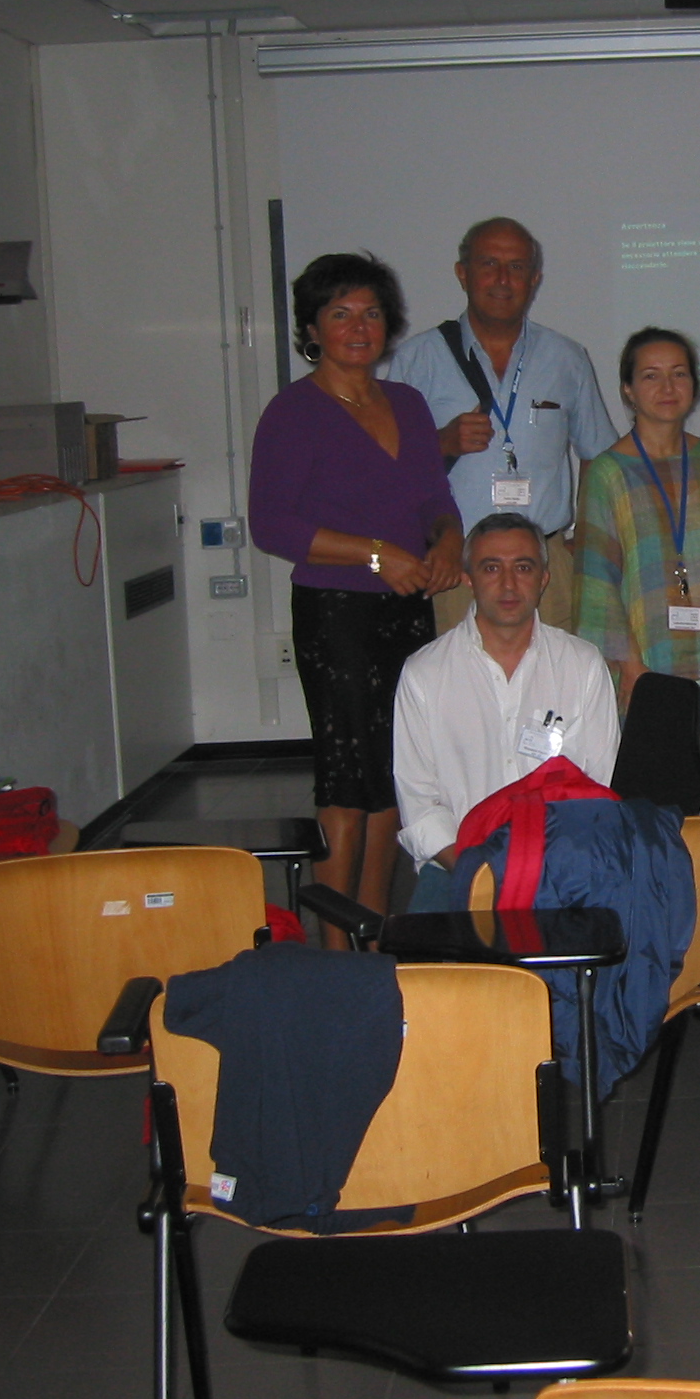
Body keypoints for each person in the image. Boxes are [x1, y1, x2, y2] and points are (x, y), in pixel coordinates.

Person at [249, 252, 462, 942]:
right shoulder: (293, 411)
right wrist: (375, 554)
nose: (359, 326)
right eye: (340, 314)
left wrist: (448, 541)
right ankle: (332, 943)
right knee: (346, 780)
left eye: (370, 312)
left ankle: (375, 929)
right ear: (312, 330)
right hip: (336, 612)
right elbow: (271, 525)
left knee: (395, 774)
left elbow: (433, 497)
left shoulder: (408, 403)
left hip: (407, 607)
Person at [383, 217, 616, 633]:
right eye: (489, 264)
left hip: (545, 564)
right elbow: (385, 468)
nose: (503, 279)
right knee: (461, 675)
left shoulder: (566, 357)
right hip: (457, 566)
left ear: (535, 279)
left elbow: (599, 454)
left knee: (557, 674)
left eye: (517, 266)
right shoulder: (418, 359)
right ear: (462, 273)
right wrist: (442, 443)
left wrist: (583, 536)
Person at [391, 512, 621, 897]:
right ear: (468, 578)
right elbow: (419, 805)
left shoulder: (582, 665)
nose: (509, 584)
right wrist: (483, 873)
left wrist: (540, 872)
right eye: (492, 568)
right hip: (458, 868)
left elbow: (597, 785)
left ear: (544, 579)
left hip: (559, 870)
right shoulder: (424, 673)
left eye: (524, 567)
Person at [576, 328, 700, 788]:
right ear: (628, 390)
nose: (667, 387)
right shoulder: (607, 472)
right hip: (647, 660)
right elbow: (596, 581)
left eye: (679, 374)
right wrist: (630, 665)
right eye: (651, 375)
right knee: (650, 798)